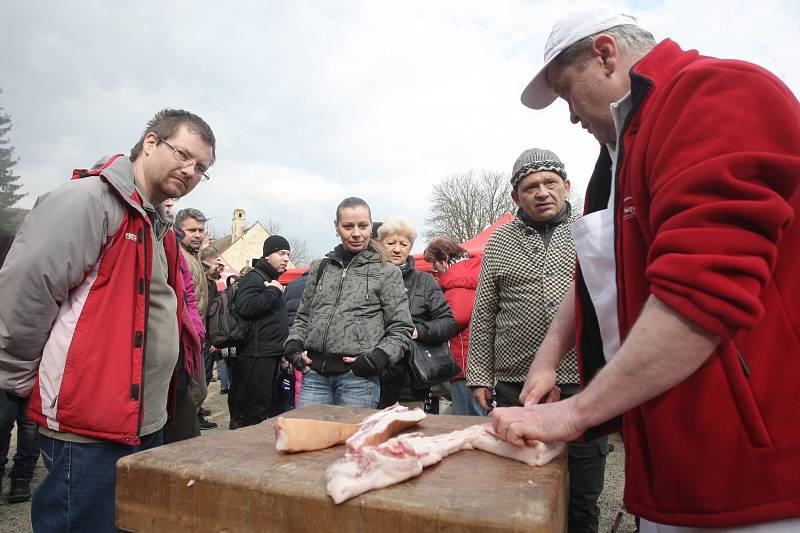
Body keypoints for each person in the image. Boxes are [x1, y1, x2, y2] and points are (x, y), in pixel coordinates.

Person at [491, 7, 800, 532]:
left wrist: (575, 413)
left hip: (754, 465)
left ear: (606, 55)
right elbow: (592, 274)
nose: (569, 115)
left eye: (568, 93)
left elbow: (703, 291)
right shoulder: (616, 157)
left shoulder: (713, 93)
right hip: (675, 451)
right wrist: (547, 361)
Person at [0, 109, 215, 531]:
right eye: (183, 155)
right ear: (150, 142)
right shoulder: (87, 201)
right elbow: (25, 294)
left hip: (145, 421)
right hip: (88, 427)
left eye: (202, 168)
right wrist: (19, 382)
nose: (190, 171)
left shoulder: (159, 226)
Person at [469, 148, 607, 533]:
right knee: (519, 488)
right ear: (516, 197)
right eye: (530, 186)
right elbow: (484, 312)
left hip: (585, 383)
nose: (542, 192)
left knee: (582, 491)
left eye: (550, 182)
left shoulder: (593, 231)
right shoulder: (499, 243)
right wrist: (480, 375)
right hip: (517, 387)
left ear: (567, 185)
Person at [284, 197, 413, 408]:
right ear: (337, 227)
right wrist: (293, 347)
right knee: (308, 440)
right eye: (348, 226)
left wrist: (375, 360)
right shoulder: (321, 268)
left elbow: (401, 328)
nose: (356, 233)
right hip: (315, 378)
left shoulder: (386, 271)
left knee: (351, 441)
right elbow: (304, 316)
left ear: (371, 227)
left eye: (363, 226)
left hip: (358, 381)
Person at [377, 216, 456, 410]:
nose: (397, 249)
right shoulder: (368, 278)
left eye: (403, 244)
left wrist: (419, 331)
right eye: (391, 242)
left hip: (409, 381)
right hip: (369, 378)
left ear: (410, 247)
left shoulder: (425, 282)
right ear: (380, 245)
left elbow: (448, 323)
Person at [228, 235, 291, 429]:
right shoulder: (255, 277)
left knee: (264, 409)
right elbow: (245, 307)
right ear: (267, 256)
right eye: (281, 253)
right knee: (253, 411)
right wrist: (273, 292)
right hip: (255, 356)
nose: (286, 258)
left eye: (288, 254)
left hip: (267, 354)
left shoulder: (269, 278)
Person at [422, 236, 484, 416]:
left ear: (445, 258)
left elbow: (455, 317)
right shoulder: (472, 271)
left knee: (467, 417)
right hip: (476, 357)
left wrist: (428, 326)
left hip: (464, 358)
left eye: (434, 262)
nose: (434, 268)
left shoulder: (457, 279)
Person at [175, 207, 216, 431]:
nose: (198, 235)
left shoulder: (192, 258)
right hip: (183, 339)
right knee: (188, 396)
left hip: (195, 338)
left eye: (201, 230)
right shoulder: (178, 255)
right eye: (192, 230)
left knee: (196, 392)